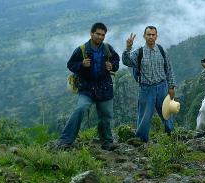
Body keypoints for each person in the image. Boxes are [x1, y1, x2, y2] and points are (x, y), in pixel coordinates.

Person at [56, 22, 120, 151]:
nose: (100, 37)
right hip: (87, 87)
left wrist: (112, 66)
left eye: (103, 35)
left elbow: (116, 61)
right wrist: (81, 65)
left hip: (105, 86)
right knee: (80, 108)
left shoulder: (107, 48)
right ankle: (65, 140)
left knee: (106, 115)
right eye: (98, 34)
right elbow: (71, 64)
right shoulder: (82, 49)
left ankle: (107, 142)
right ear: (91, 33)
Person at [122, 26, 176, 142]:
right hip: (146, 89)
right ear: (144, 36)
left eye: (153, 34)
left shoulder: (162, 50)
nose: (151, 37)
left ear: (156, 36)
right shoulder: (139, 52)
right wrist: (128, 47)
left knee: (166, 113)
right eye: (148, 34)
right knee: (144, 116)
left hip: (162, 87)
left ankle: (171, 135)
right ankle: (141, 140)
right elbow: (127, 62)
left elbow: (169, 69)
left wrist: (171, 86)